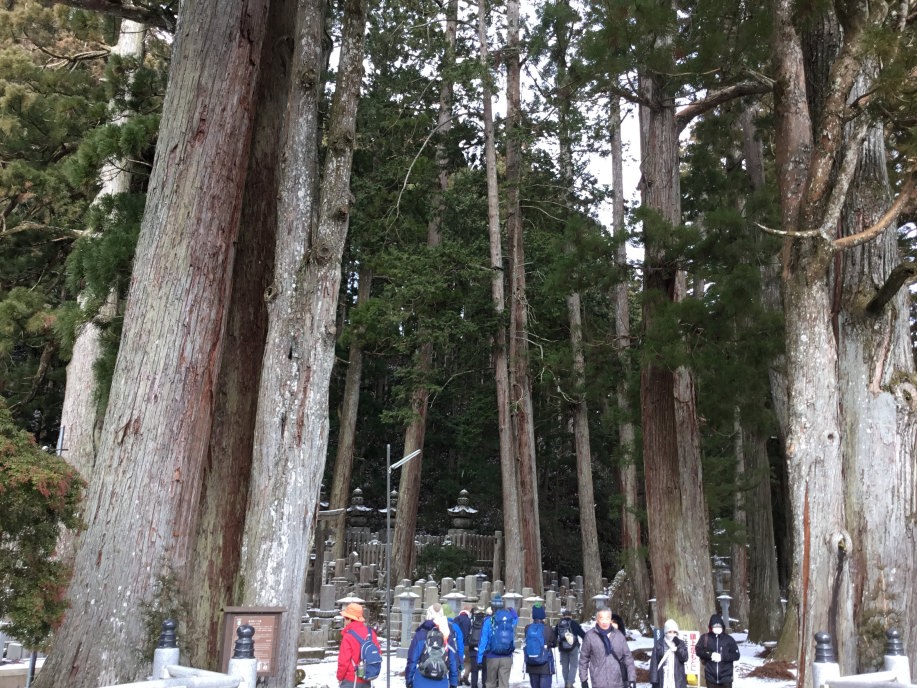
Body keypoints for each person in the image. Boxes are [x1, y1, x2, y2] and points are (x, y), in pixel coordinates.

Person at [578, 609, 636, 688]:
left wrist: (632, 678)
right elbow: (583, 659)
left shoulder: (619, 635)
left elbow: (628, 658)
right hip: (598, 682)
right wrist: (584, 680)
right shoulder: (590, 636)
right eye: (602, 618)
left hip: (618, 682)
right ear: (597, 620)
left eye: (607, 618)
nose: (605, 621)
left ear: (610, 620)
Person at [406, 603, 460, 688]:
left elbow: (412, 659)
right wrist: (453, 683)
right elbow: (453, 662)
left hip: (421, 681)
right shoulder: (447, 635)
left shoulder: (420, 634)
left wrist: (409, 680)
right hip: (441, 682)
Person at [477, 595, 518, 688]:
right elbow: (516, 619)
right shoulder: (509, 620)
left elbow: (483, 640)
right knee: (504, 684)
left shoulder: (489, 621)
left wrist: (479, 658)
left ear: (492, 608)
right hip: (507, 656)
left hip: (492, 656)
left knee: (490, 683)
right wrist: (511, 610)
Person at [337, 603, 382, 688]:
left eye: (345, 618)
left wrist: (339, 677)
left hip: (351, 680)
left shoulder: (348, 636)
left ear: (350, 619)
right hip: (367, 678)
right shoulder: (371, 633)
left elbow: (343, 662)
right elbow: (378, 653)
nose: (344, 621)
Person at [694, 614, 740, 688]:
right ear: (711, 627)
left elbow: (736, 655)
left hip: (726, 678)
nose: (717, 628)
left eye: (719, 626)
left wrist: (722, 657)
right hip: (710, 678)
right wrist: (710, 655)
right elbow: (698, 650)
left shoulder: (729, 639)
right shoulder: (705, 638)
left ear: (722, 626)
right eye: (715, 626)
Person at [523, 604, 556, 688]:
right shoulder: (547, 628)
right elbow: (554, 643)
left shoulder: (527, 628)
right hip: (545, 665)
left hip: (531, 664)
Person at [648, 619, 688, 688]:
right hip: (662, 676)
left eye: (674, 632)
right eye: (669, 632)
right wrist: (654, 680)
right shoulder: (659, 644)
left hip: (677, 678)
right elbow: (654, 662)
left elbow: (685, 657)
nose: (672, 634)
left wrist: (678, 647)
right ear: (665, 632)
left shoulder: (680, 643)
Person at [555, 608, 586, 688]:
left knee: (564, 666)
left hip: (562, 648)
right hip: (573, 648)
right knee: (573, 665)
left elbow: (554, 635)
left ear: (563, 616)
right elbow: (583, 635)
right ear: (571, 616)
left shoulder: (559, 624)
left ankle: (566, 683)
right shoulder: (574, 623)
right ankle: (570, 683)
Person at [453, 604, 473, 686]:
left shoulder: (456, 619)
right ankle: (465, 676)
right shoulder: (469, 620)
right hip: (467, 643)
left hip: (457, 644)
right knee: (468, 661)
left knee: (458, 661)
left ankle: (458, 679)